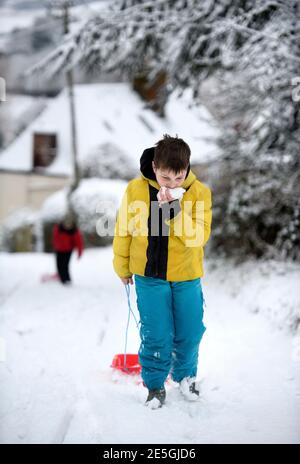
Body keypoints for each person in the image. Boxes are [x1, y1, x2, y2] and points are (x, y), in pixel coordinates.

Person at [113, 134, 212, 408]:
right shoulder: (135, 190)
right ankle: (155, 386)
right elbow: (123, 230)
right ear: (155, 167)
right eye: (166, 178)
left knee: (190, 332)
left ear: (187, 169)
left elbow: (198, 237)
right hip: (148, 275)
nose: (172, 184)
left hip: (186, 275)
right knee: (156, 333)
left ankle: (185, 377)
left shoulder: (199, 193)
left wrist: (174, 213)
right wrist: (121, 265)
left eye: (179, 178)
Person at [52, 214, 84, 285]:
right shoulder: (59, 229)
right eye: (66, 223)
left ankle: (67, 279)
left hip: (68, 251)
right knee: (59, 265)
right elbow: (55, 238)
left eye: (69, 224)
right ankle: (62, 278)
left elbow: (79, 243)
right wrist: (55, 246)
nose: (68, 225)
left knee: (65, 265)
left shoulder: (74, 231)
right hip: (59, 250)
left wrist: (79, 253)